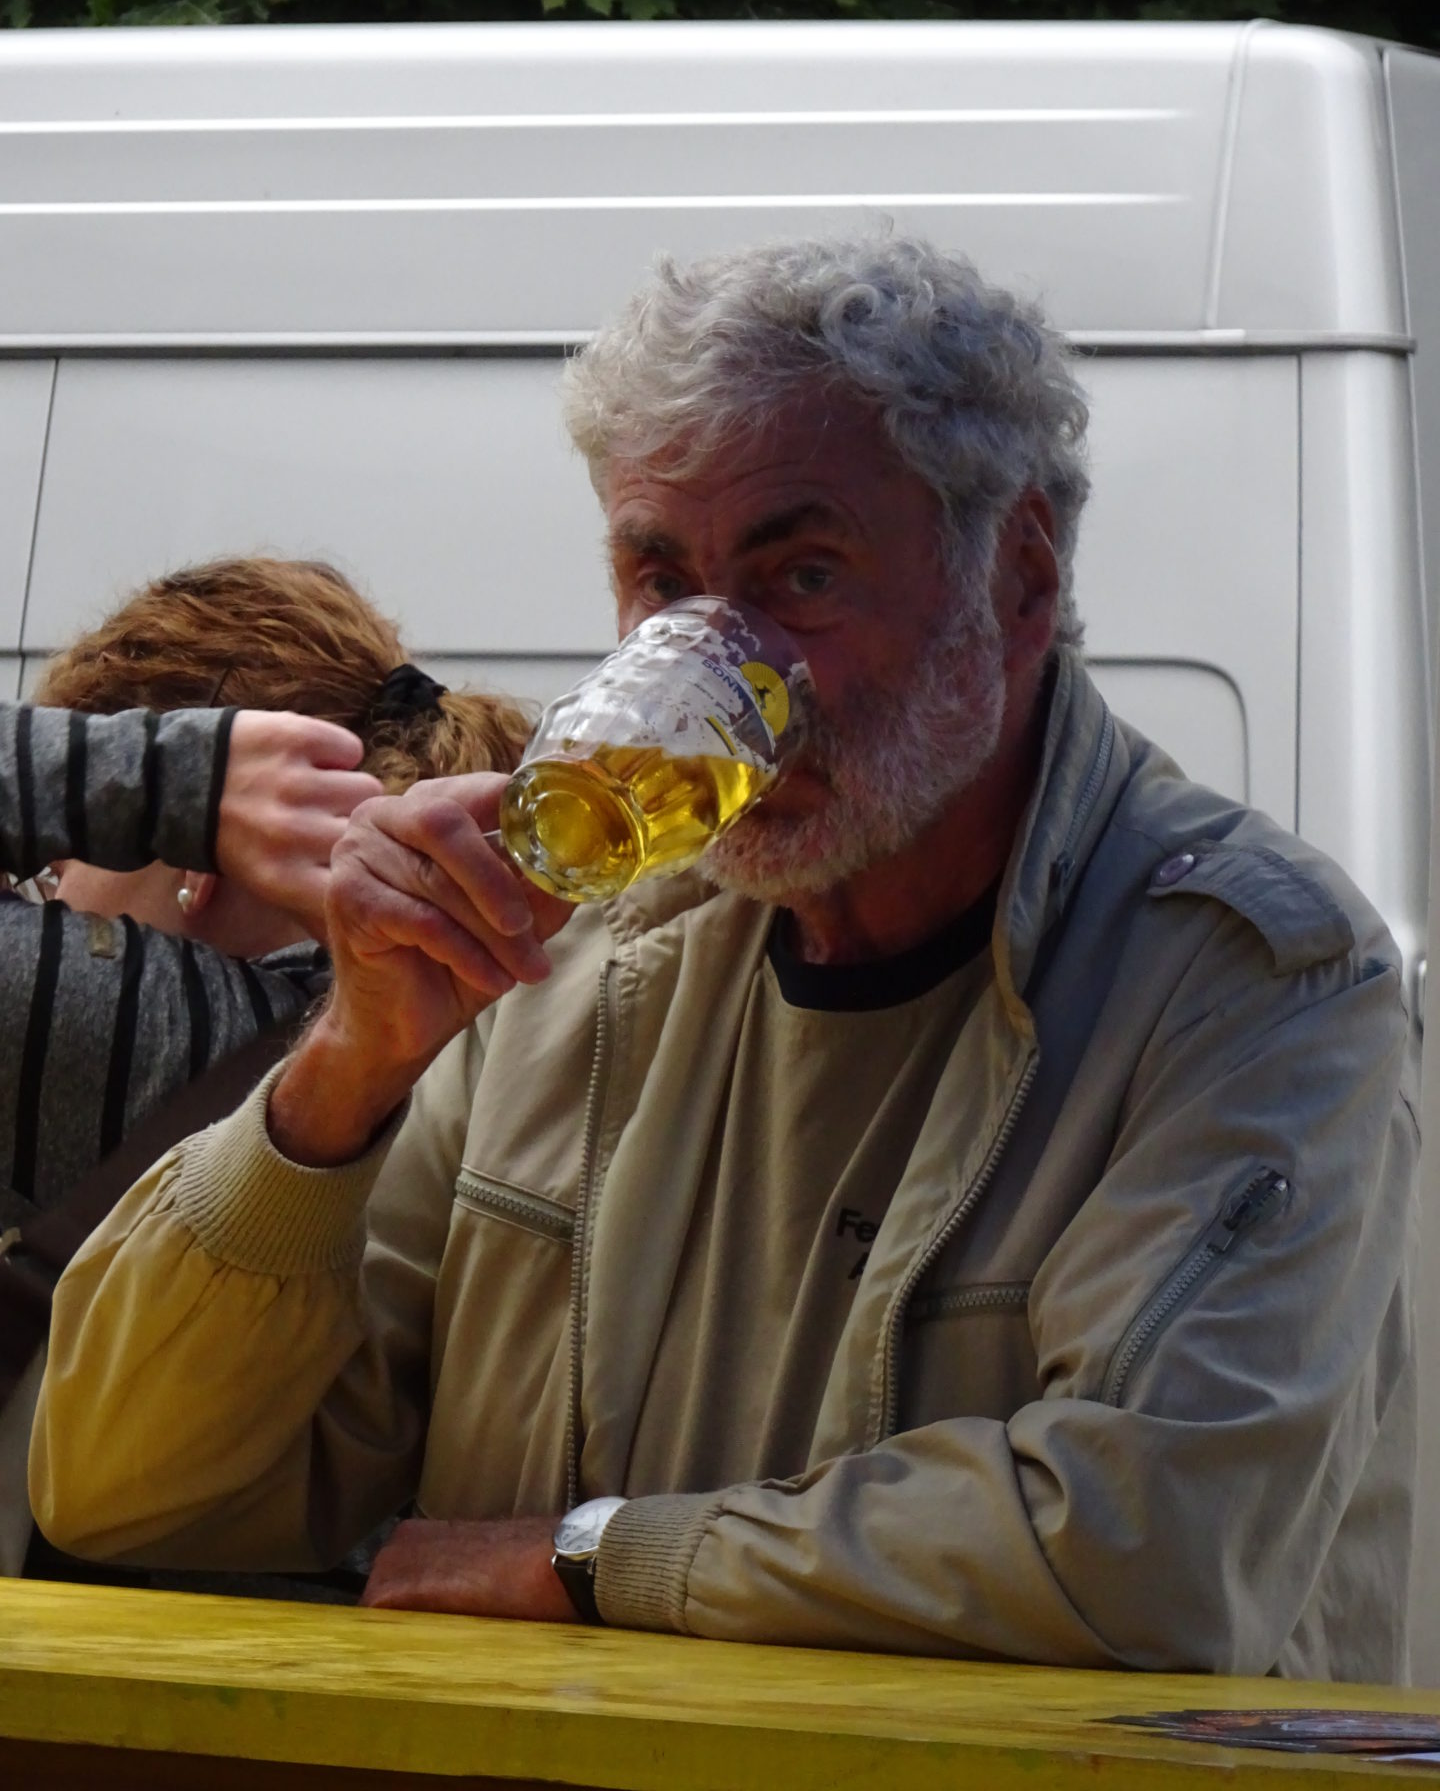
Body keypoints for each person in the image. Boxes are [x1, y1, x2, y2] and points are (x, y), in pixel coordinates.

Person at [31, 240, 1416, 1683]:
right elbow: (128, 1487)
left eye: (801, 575)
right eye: (663, 581)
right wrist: (343, 1074)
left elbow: (1149, 1550)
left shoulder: (1254, 978)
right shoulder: (567, 957)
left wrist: (591, 1560)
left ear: (1018, 575)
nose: (722, 663)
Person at [2, 553, 530, 1574]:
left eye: (63, 854)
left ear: (191, 863)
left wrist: (167, 781)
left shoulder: (122, 1024)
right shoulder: (464, 1047)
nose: (49, 889)